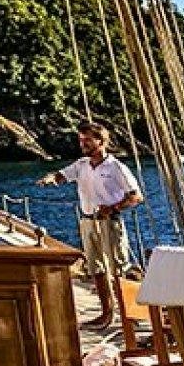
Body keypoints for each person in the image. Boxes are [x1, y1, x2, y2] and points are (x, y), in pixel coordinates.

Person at [36, 121, 142, 329]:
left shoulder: (116, 167)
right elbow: (61, 176)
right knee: (96, 268)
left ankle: (131, 316)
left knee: (118, 268)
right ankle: (106, 314)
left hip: (108, 223)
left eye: (87, 140)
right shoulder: (81, 165)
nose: (83, 144)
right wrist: (50, 178)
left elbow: (136, 196)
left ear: (101, 142)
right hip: (87, 222)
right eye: (81, 140)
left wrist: (113, 208)